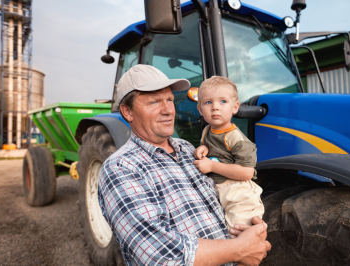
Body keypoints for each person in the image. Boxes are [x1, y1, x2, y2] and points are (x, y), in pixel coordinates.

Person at [98, 64, 271, 266]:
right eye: (154, 101)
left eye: (170, 100)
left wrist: (250, 230)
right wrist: (240, 249)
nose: (168, 110)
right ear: (127, 112)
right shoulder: (121, 168)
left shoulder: (189, 149)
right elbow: (160, 257)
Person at [193, 76, 264, 233]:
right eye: (208, 102)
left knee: (237, 233)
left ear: (235, 106)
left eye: (223, 101)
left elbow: (247, 172)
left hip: (238, 193)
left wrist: (211, 165)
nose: (215, 107)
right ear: (200, 109)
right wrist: (202, 148)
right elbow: (212, 147)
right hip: (218, 190)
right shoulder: (207, 131)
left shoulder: (237, 139)